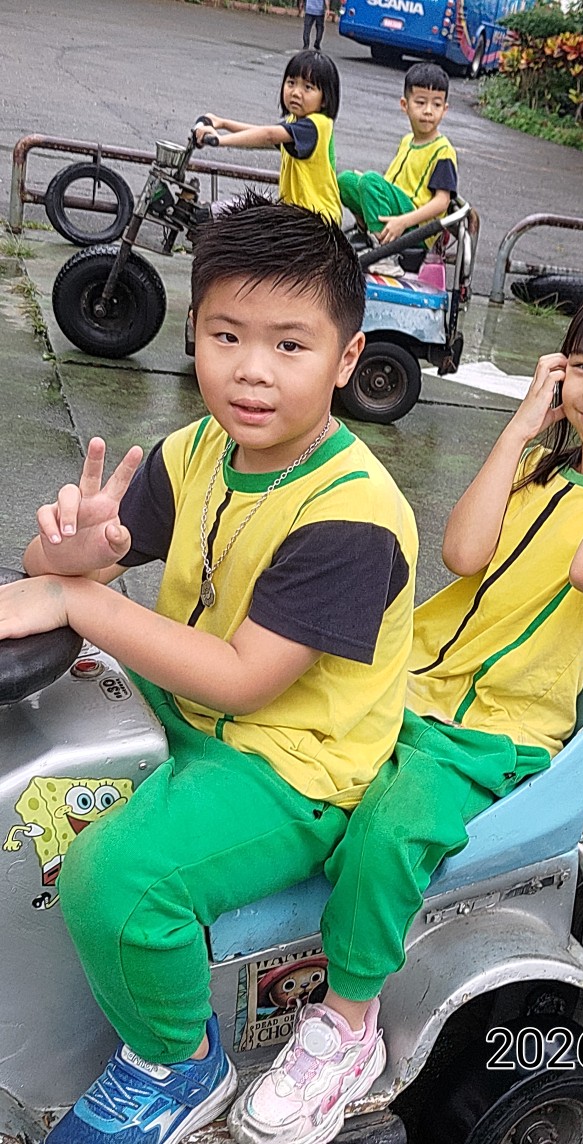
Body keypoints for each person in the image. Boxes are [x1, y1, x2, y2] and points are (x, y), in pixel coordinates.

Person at [229, 268, 583, 1144]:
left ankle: (346, 1024)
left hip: (492, 733)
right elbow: (461, 551)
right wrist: (524, 426)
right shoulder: (537, 469)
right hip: (402, 683)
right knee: (266, 741)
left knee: (388, 834)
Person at [0, 195, 419, 1144]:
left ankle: (178, 1060)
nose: (251, 370)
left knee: (118, 879)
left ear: (347, 358)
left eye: (290, 345)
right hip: (185, 704)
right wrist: (71, 554)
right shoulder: (198, 450)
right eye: (227, 335)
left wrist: (82, 601)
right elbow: (57, 574)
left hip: (290, 765)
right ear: (193, 332)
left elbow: (241, 680)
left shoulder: (352, 514)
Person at [194, 51, 342, 224]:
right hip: (297, 216)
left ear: (324, 99)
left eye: (308, 87)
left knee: (243, 219)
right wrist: (222, 123)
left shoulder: (316, 125)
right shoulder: (295, 122)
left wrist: (219, 140)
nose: (296, 92)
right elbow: (260, 133)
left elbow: (268, 136)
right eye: (291, 83)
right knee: (246, 209)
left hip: (317, 222)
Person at [338, 62, 457, 256]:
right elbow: (392, 183)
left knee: (369, 180)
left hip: (416, 226)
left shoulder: (443, 150)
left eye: (436, 104)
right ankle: (364, 231)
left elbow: (442, 202)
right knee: (346, 180)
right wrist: (367, 184)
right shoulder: (407, 140)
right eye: (420, 103)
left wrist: (403, 221)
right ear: (405, 105)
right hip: (395, 208)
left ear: (444, 109)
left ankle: (382, 248)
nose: (428, 111)